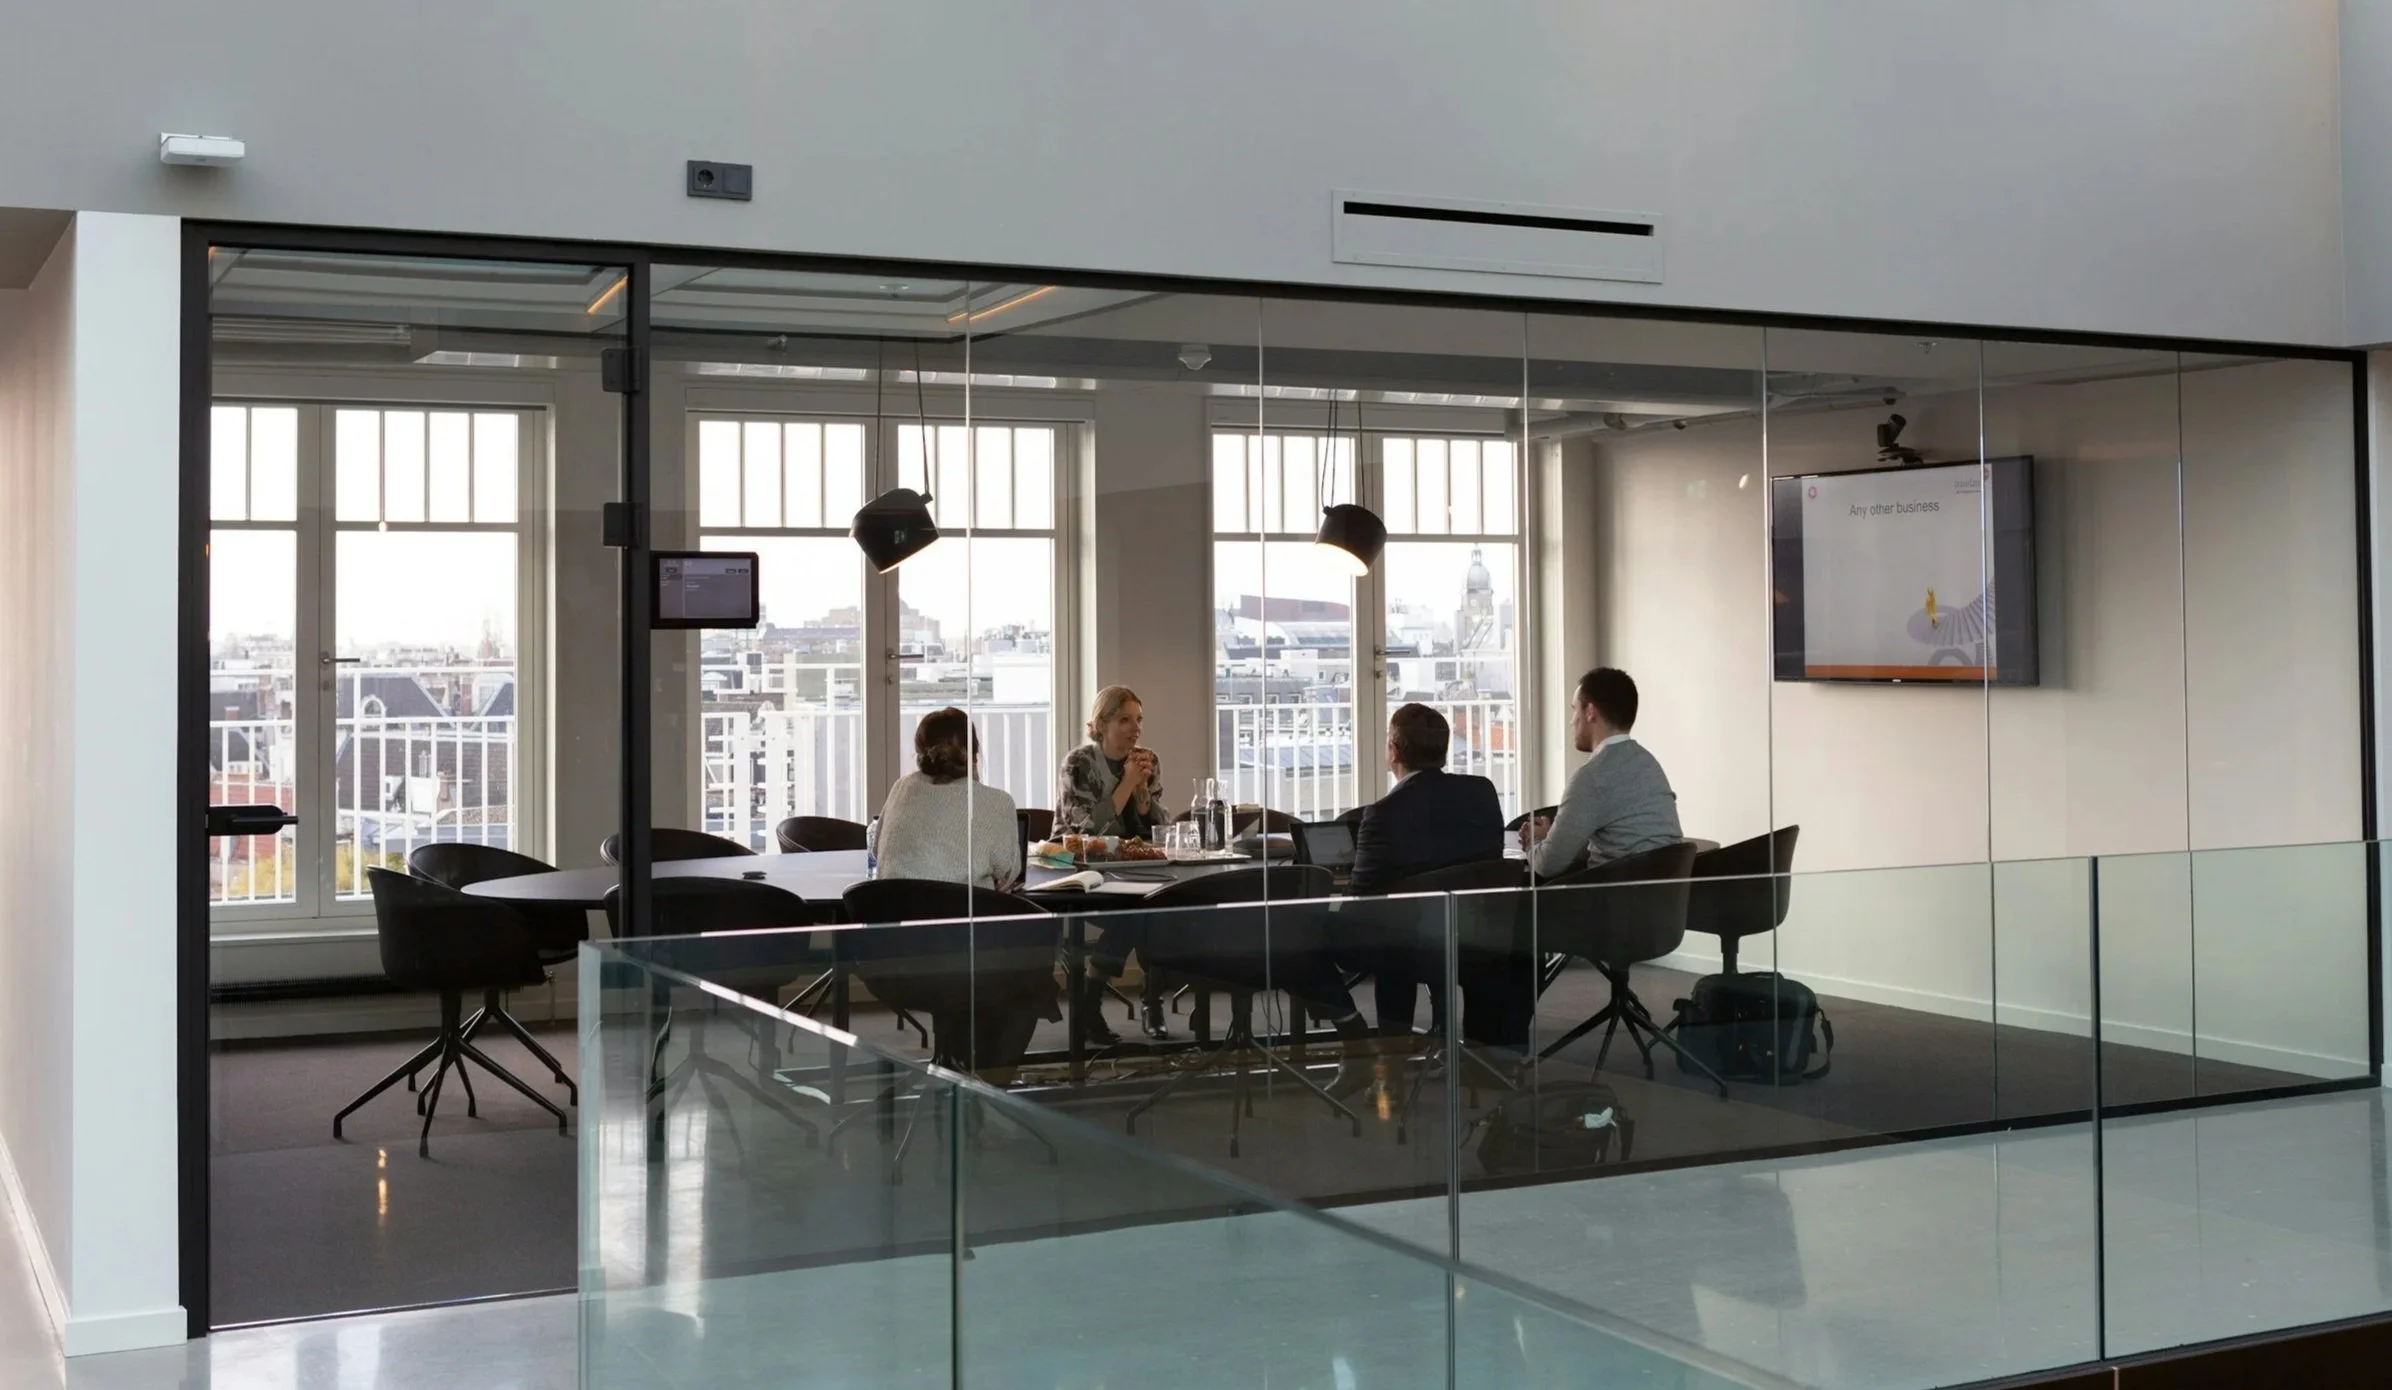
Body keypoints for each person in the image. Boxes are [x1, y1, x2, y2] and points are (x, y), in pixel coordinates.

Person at [866, 707, 1055, 1086]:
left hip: (892, 967)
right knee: (1032, 976)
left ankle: (962, 1072)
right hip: (965, 963)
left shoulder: (902, 789)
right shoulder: (994, 801)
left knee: (987, 967)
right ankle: (989, 1087)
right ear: (976, 752)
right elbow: (1009, 871)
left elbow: (874, 844)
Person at [1346, 703, 1505, 1036]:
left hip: (1410, 948)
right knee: (1400, 926)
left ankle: (1364, 1041)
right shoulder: (1482, 793)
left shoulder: (1383, 814)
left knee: (1379, 932)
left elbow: (1359, 903)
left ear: (1394, 750)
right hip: (1479, 936)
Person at [1053, 686, 1172, 1043]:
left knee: (1155, 907)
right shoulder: (1078, 764)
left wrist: (1143, 796)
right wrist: (1127, 784)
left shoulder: (1147, 760)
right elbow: (1089, 830)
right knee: (1138, 914)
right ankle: (1103, 999)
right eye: (1125, 720)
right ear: (1102, 724)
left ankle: (1122, 1001)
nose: (1135, 729)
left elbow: (1159, 830)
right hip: (1079, 872)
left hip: (1132, 870)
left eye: (1139, 720)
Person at [1522, 667, 1682, 878]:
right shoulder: (1650, 766)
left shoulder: (1591, 778)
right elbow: (1621, 837)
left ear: (1590, 712)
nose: (1572, 721)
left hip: (1611, 904)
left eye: (1574, 709)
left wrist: (1533, 841)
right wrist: (1552, 837)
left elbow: (1547, 865)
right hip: (1662, 904)